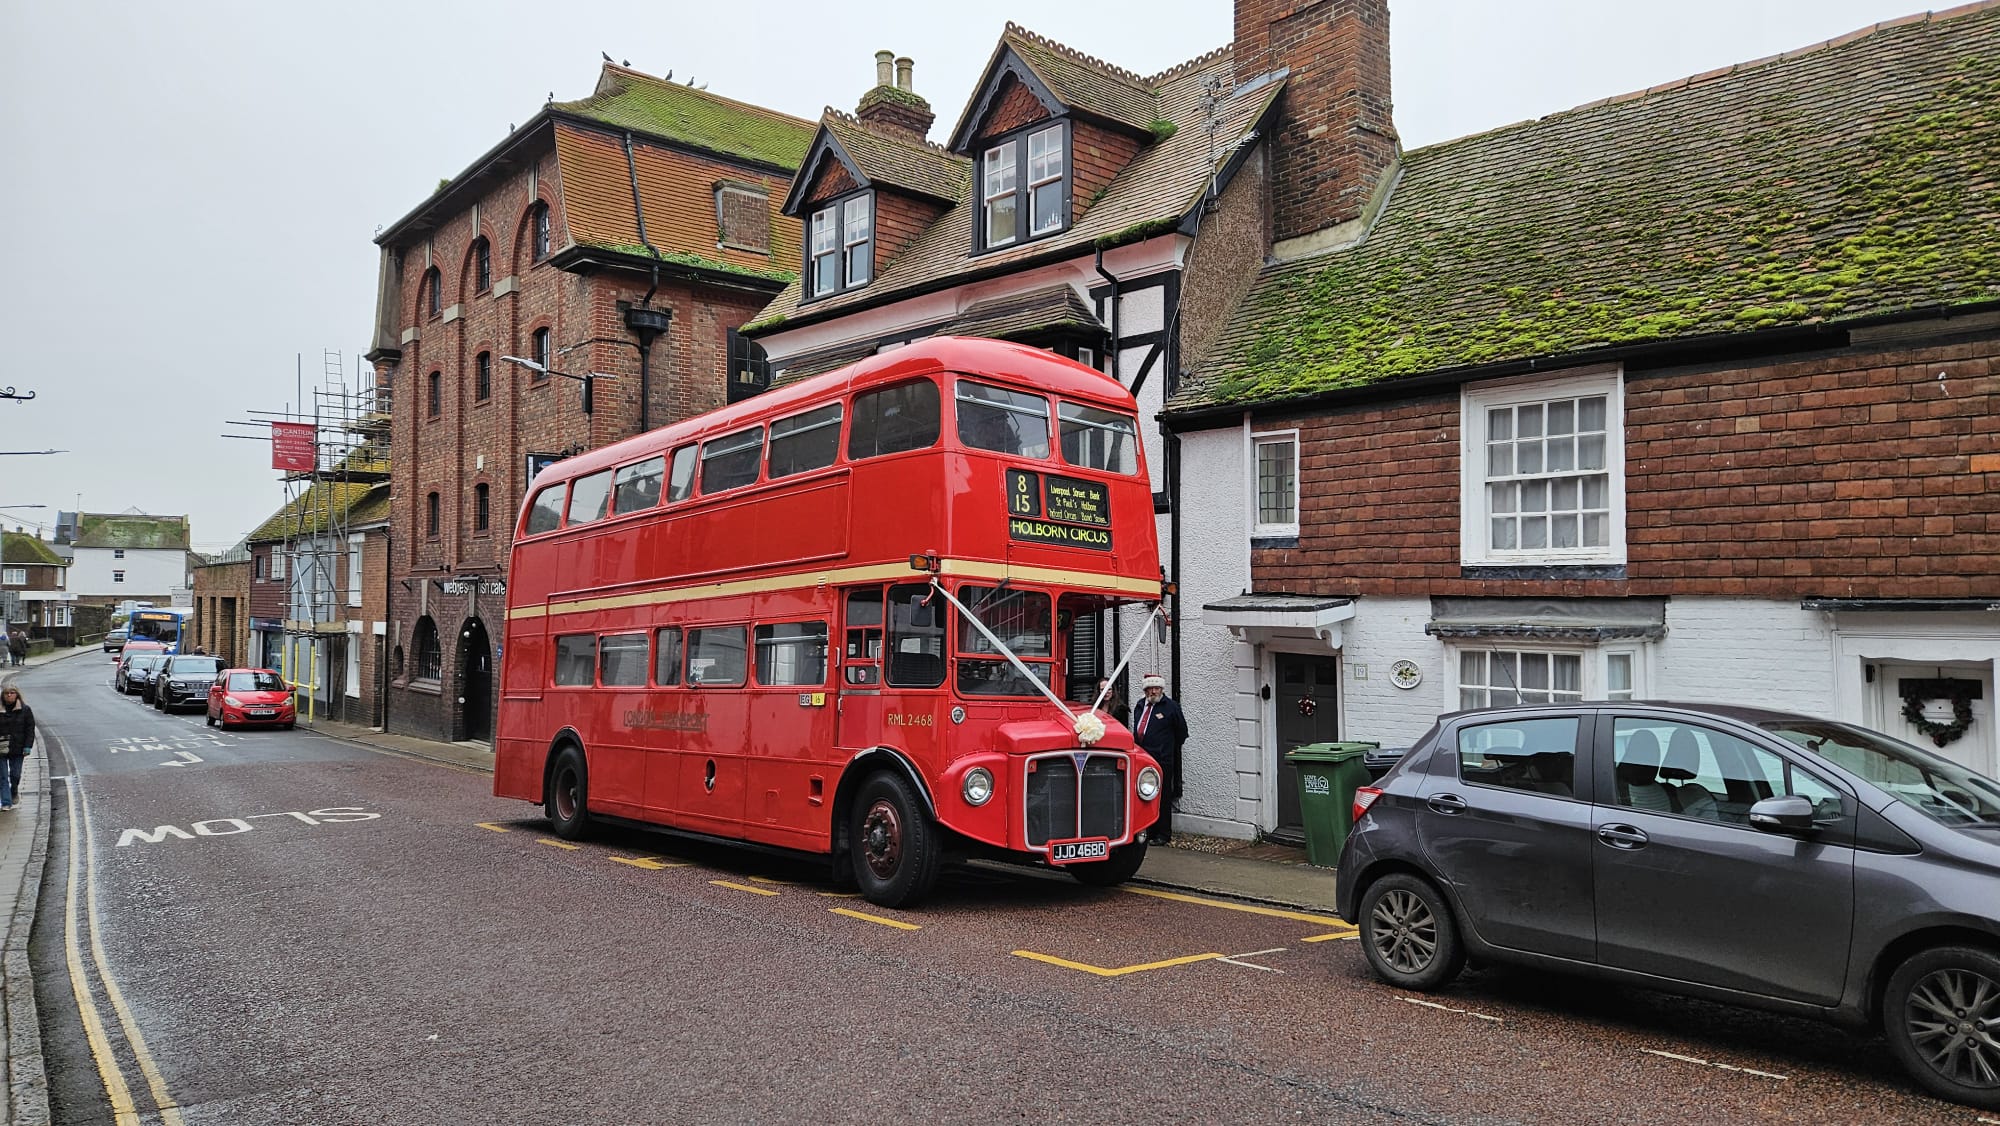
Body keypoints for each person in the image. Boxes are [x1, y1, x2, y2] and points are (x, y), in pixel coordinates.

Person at [1131, 673, 1188, 844]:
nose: (1153, 691)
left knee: (1162, 797)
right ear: (1145, 689)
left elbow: (1182, 733)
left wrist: (1167, 748)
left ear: (1161, 689)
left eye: (1156, 688)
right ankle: (1149, 831)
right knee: (1145, 794)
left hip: (1162, 759)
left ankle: (1163, 834)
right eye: (1150, 688)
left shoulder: (1171, 707)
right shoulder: (1140, 705)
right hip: (1143, 758)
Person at [0, 685, 33, 811]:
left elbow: (29, 729)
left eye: (12, 693)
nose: (9, 695)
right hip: (1, 747)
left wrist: (28, 746)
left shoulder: (25, 710)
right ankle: (6, 802)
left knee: (15, 774)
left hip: (18, 747)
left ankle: (14, 791)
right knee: (2, 776)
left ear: (17, 694)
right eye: (6, 693)